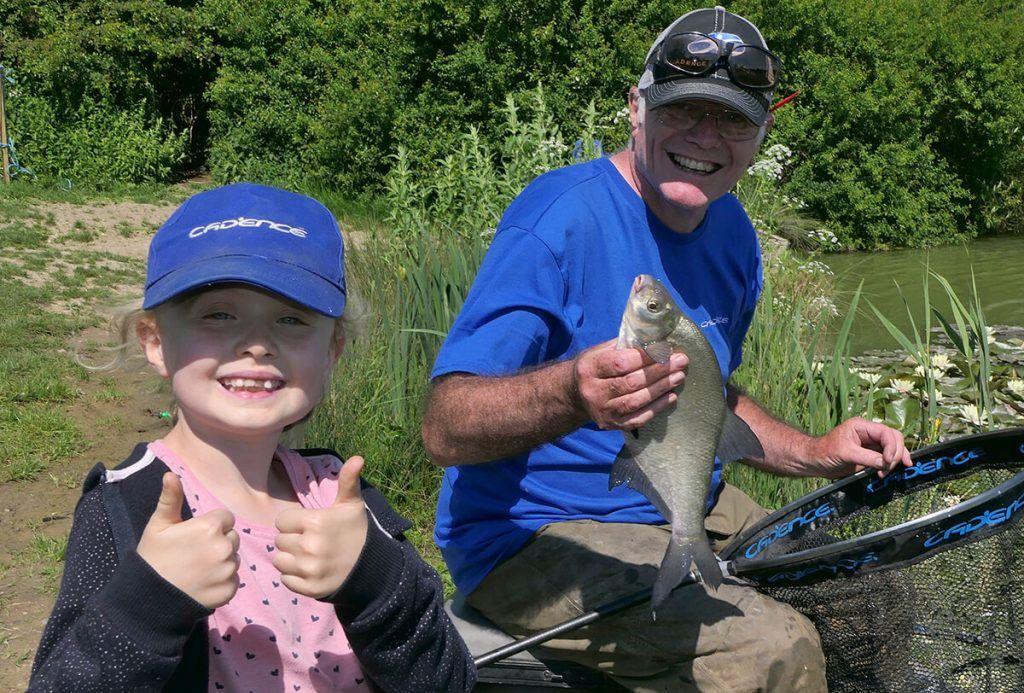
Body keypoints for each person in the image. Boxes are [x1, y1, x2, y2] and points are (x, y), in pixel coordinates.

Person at [421, 6, 911, 692]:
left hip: (683, 497)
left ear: (762, 131)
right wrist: (572, 394)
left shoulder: (734, 232)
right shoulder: (558, 220)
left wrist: (814, 450)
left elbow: (709, 398)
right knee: (771, 649)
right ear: (636, 108)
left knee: (869, 594)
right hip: (535, 530)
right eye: (685, 111)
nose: (706, 137)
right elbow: (445, 425)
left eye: (734, 118)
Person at [30, 183, 476, 692]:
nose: (258, 345)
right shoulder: (128, 510)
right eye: (218, 314)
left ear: (331, 351)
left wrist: (375, 582)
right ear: (155, 341)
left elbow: (450, 682)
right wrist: (147, 603)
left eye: (292, 319)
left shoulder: (341, 499)